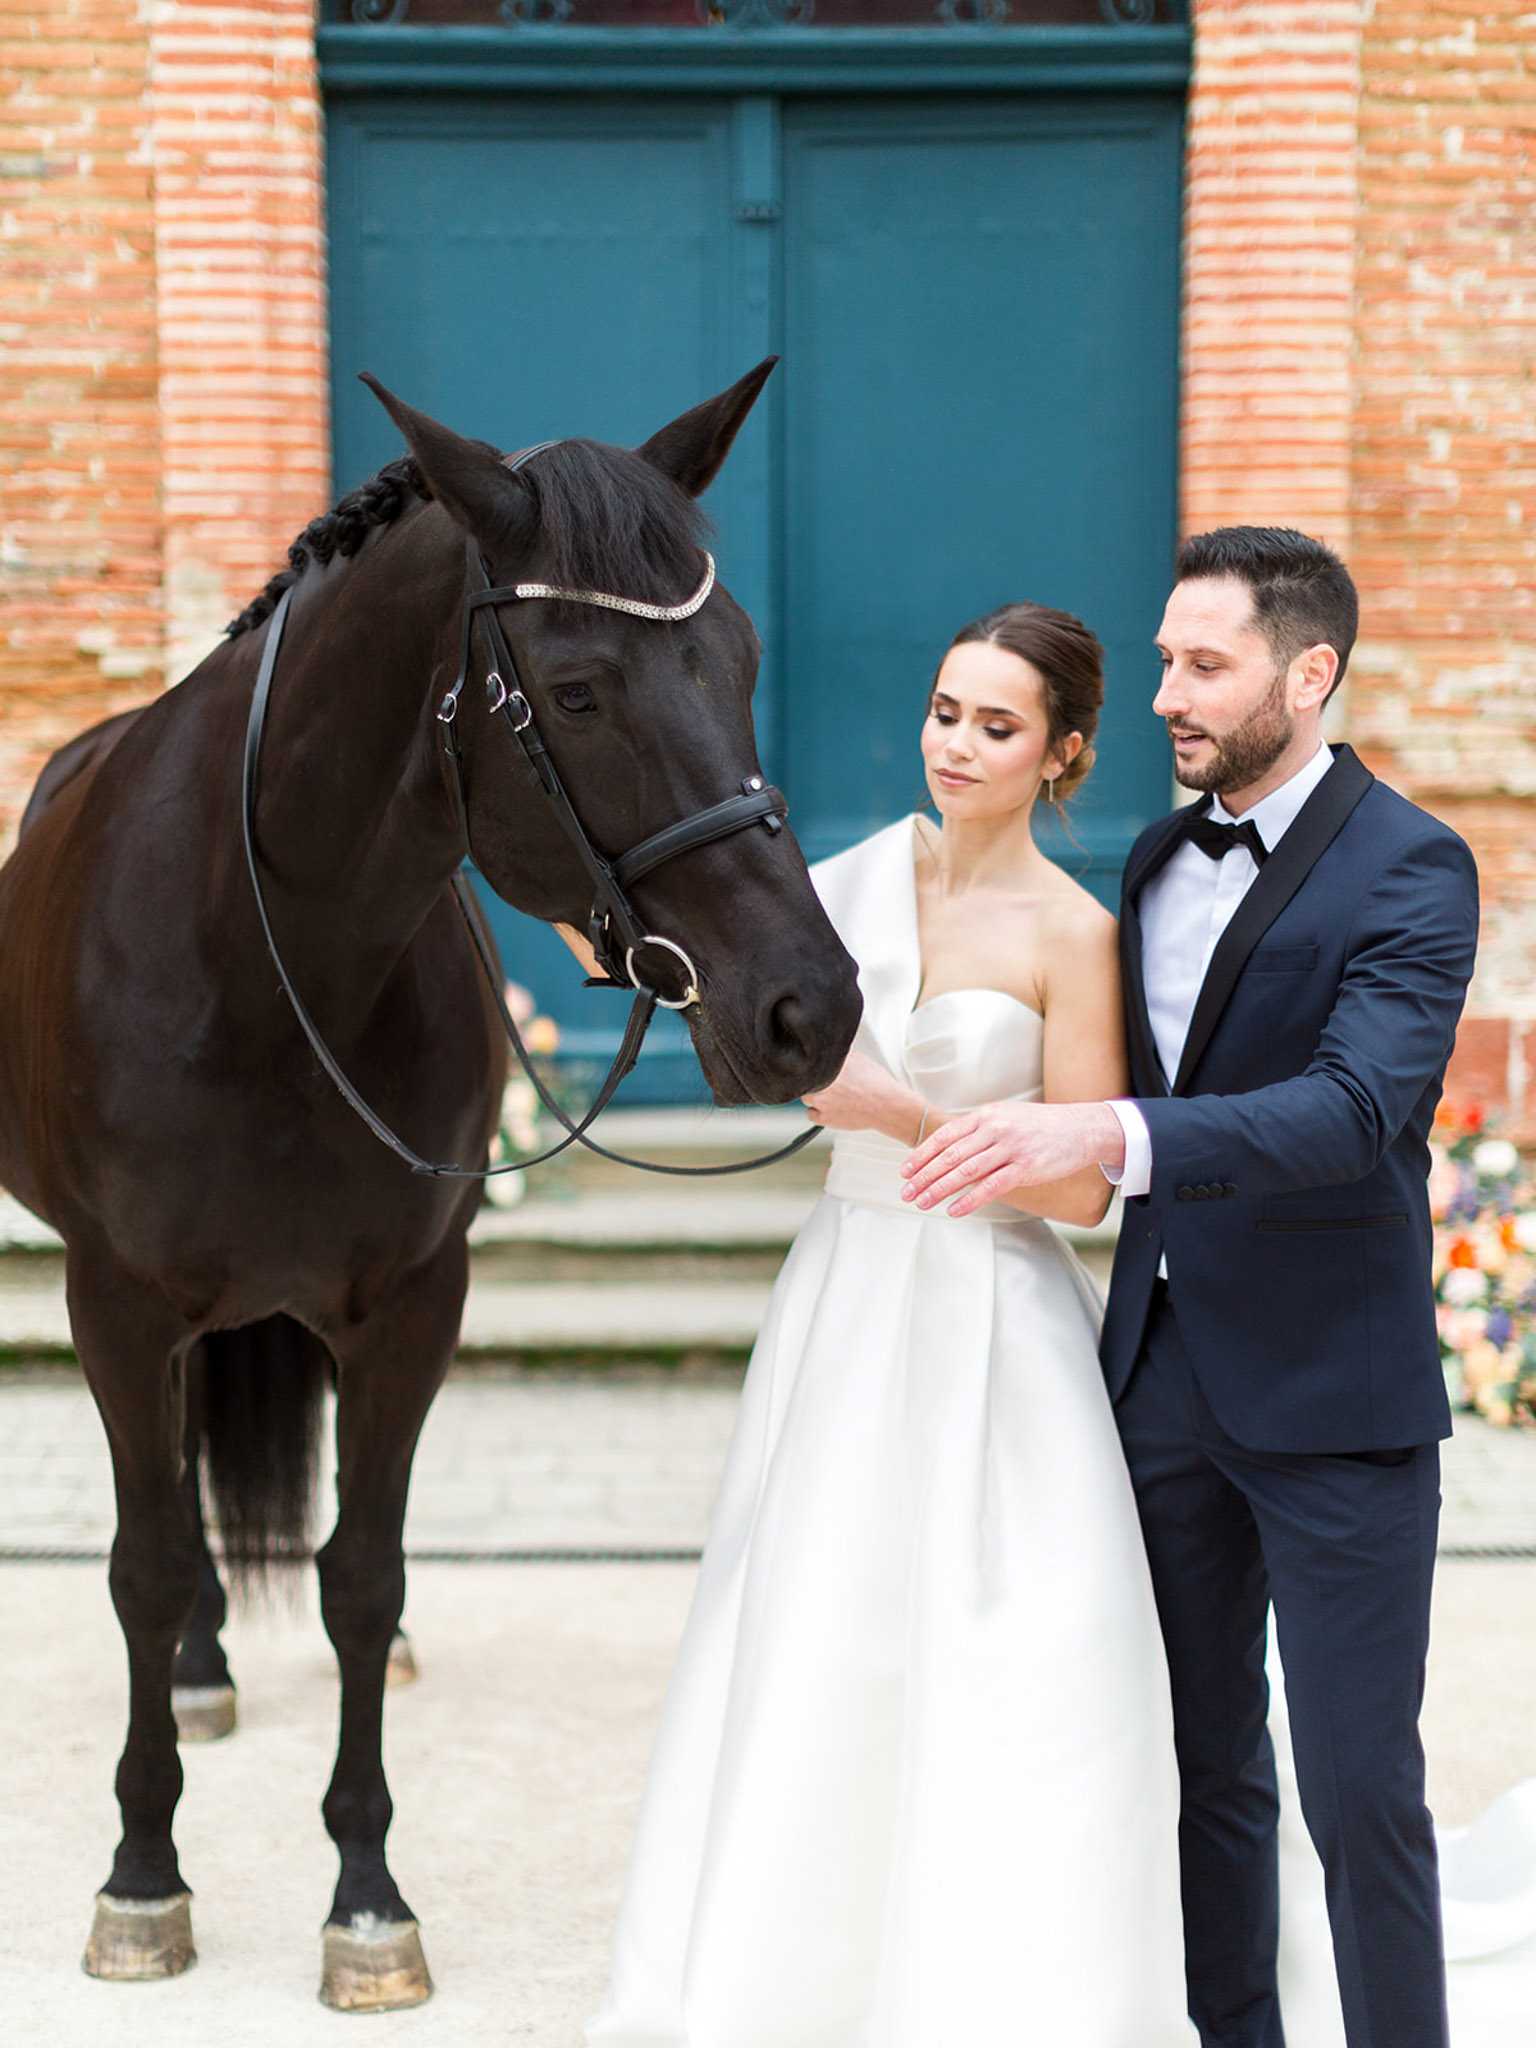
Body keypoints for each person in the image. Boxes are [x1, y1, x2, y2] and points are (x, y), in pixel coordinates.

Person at [899, 528, 1506, 2047]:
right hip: (1160, 1374)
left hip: (1335, 1393)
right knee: (1196, 1759)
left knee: (1364, 1788)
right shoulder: (1161, 859)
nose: (1170, 690)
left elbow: (1358, 1112)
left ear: (1310, 675)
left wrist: (1104, 1133)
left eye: (1206, 664)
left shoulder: (1415, 865)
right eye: (1167, 657)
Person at [584, 601, 1200, 2045]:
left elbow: (1081, 1190)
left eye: (997, 726)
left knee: (1007, 1647)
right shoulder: (831, 881)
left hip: (992, 1318)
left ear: (1063, 756)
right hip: (847, 1297)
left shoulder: (1074, 933)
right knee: (807, 1626)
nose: (958, 746)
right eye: (944, 712)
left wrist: (913, 1116)